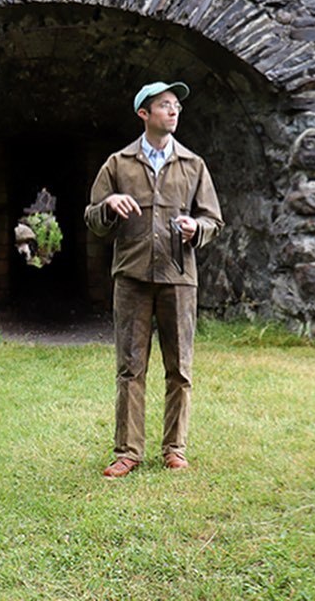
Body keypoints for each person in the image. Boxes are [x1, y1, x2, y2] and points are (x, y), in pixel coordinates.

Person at [85, 81, 223, 478]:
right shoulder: (118, 163)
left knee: (180, 368)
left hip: (180, 278)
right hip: (131, 276)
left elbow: (214, 220)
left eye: (176, 106)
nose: (174, 111)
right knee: (131, 367)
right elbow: (92, 220)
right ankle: (128, 452)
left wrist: (197, 228)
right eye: (165, 106)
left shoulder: (193, 165)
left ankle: (175, 448)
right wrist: (109, 205)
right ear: (143, 114)